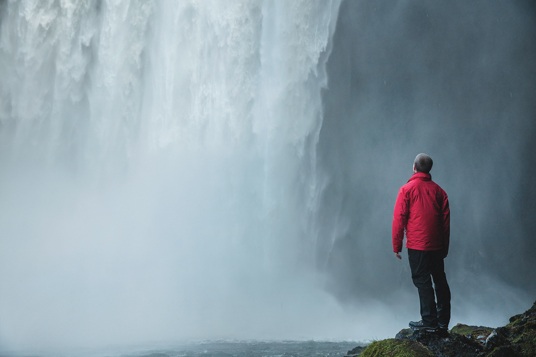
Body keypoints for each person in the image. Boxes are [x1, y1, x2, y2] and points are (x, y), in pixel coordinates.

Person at [392, 153, 451, 332]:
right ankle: (443, 322)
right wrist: (444, 248)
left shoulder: (406, 189)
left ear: (414, 167)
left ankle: (429, 321)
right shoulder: (440, 191)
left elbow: (399, 219)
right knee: (439, 280)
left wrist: (397, 245)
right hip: (436, 245)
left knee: (422, 280)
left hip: (417, 245)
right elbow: (445, 223)